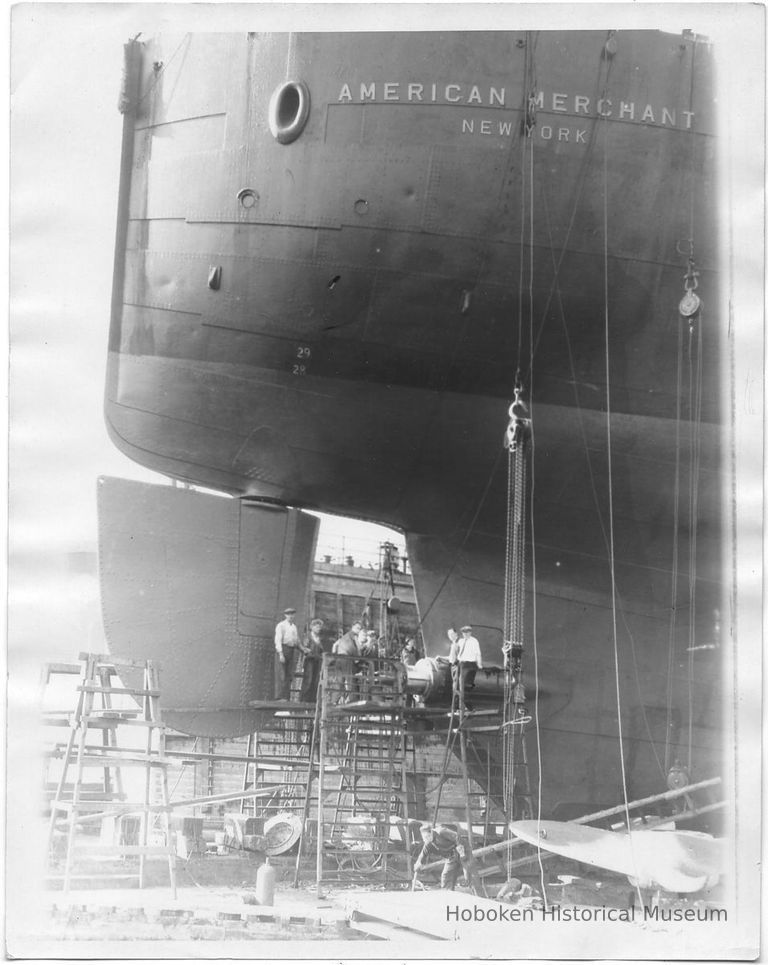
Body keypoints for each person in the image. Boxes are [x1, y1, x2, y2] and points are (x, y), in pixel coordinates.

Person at [413, 824, 466, 890]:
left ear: (431, 832)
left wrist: (461, 851)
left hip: (464, 850)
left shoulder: (441, 832)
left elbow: (457, 837)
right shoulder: (428, 843)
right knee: (446, 877)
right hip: (451, 856)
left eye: (427, 836)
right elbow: (422, 855)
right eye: (424, 838)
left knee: (470, 876)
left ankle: (479, 897)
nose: (426, 839)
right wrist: (418, 863)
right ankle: (448, 896)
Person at [274, 607, 301, 700]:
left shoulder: (294, 627)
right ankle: (279, 697)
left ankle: (286, 697)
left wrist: (303, 648)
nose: (291, 616)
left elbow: (296, 641)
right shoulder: (281, 625)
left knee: (289, 674)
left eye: (292, 614)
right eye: (289, 614)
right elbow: (278, 640)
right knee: (281, 674)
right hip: (283, 649)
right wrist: (281, 654)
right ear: (285, 615)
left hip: (291, 650)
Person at [456, 625, 483, 710]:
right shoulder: (460, 641)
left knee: (466, 686)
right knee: (458, 686)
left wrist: (479, 664)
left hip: (470, 664)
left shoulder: (474, 641)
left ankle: (468, 706)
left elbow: (478, 653)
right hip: (461, 664)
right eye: (464, 633)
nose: (465, 634)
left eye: (467, 632)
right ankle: (459, 706)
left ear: (470, 632)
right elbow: (457, 652)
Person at [299, 617, 325, 703]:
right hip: (309, 661)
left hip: (317, 662)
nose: (319, 629)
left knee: (315, 681)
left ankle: (312, 701)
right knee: (308, 680)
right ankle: (303, 700)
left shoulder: (319, 639)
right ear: (312, 627)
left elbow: (321, 651)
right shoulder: (308, 637)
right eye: (317, 627)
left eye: (320, 627)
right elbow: (305, 649)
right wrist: (310, 654)